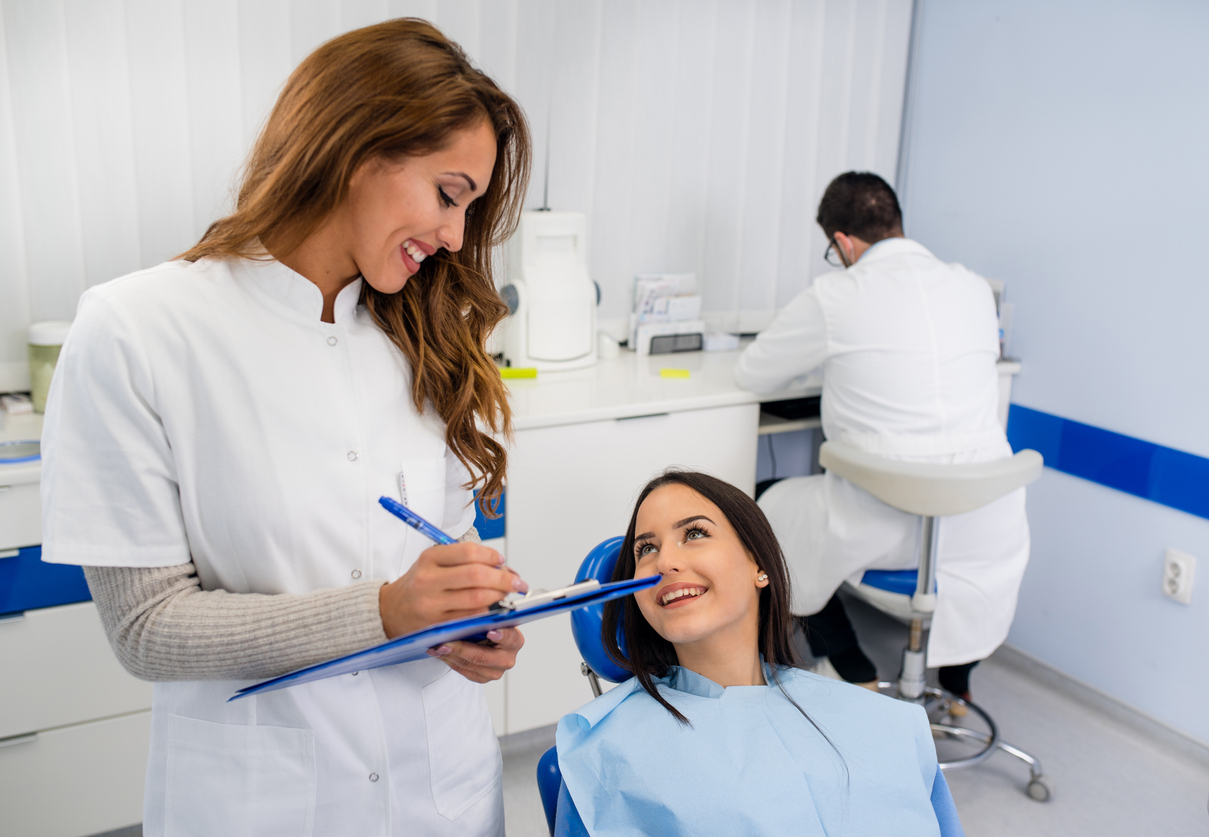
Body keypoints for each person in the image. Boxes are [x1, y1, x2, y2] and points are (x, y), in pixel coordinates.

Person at [39, 20, 531, 836]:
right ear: (355, 148)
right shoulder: (138, 329)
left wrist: (465, 620)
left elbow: (437, 560)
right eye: (449, 194)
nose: (454, 238)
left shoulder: (431, 335)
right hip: (263, 804)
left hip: (442, 792)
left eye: (468, 209)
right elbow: (145, 629)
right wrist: (383, 610)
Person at [734, 171, 1030, 701]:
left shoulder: (837, 293)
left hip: (884, 521)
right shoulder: (971, 287)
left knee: (759, 509)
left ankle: (852, 666)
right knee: (953, 545)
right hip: (979, 525)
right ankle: (956, 685)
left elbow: (752, 374)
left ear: (842, 242)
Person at [554, 471, 964, 836]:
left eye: (694, 533)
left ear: (759, 565)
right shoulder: (601, 754)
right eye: (646, 549)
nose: (666, 562)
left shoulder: (888, 725)